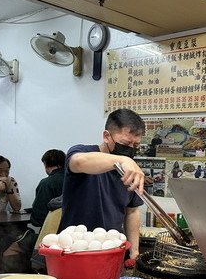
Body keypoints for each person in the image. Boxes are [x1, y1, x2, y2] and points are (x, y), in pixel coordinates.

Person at [60, 108, 145, 259]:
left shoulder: (129, 169)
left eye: (136, 146)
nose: (130, 150)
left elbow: (132, 211)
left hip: (112, 250)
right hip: (74, 250)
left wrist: (134, 252)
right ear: (107, 136)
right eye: (125, 143)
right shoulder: (83, 152)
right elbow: (78, 162)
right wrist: (122, 160)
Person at [3, 149, 65, 272]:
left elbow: (38, 219)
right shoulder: (74, 180)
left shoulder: (46, 183)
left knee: (11, 250)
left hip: (52, 236)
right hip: (71, 234)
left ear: (45, 164)